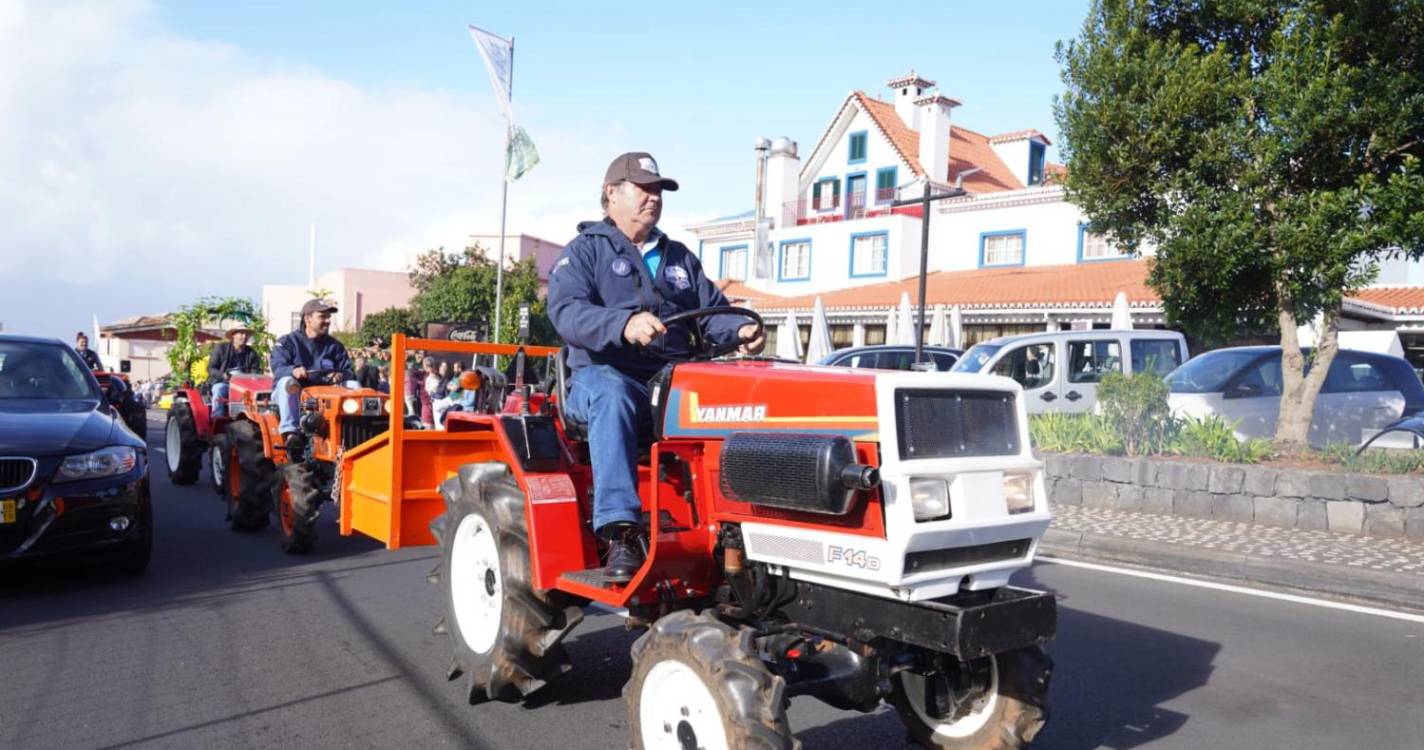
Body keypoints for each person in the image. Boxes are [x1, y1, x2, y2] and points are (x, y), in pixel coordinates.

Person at [547, 151, 764, 582]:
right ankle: (620, 531)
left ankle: (748, 522)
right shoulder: (585, 252)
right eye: (644, 189)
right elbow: (566, 311)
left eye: (658, 191)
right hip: (601, 377)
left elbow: (711, 313)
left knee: (747, 394)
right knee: (613, 392)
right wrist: (622, 323)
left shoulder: (679, 257)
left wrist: (738, 330)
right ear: (612, 194)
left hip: (669, 380)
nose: (654, 198)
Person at [270, 299, 356, 448]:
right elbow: (278, 367)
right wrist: (293, 370)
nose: (328, 321)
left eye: (329, 317)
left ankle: (355, 431)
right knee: (287, 383)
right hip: (295, 393)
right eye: (322, 316)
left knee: (353, 384)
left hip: (324, 395)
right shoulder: (287, 342)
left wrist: (340, 375)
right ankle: (291, 433)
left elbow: (348, 370)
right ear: (307, 318)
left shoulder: (335, 346)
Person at [207, 325, 263, 418]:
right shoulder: (221, 348)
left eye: (246, 334)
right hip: (224, 382)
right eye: (241, 333)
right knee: (218, 389)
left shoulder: (252, 353)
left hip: (244, 385)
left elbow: (255, 373)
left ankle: (254, 417)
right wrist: (223, 375)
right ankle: (217, 416)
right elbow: (211, 368)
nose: (244, 336)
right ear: (233, 335)